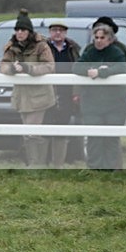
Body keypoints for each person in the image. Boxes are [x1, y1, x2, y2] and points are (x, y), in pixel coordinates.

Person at [0, 9, 56, 167]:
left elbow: (49, 66)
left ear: (29, 31)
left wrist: (28, 69)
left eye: (23, 30)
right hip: (21, 95)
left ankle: (36, 164)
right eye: (17, 30)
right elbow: (3, 65)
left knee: (32, 131)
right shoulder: (11, 47)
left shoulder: (41, 46)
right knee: (27, 132)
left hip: (39, 95)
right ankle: (34, 163)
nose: (19, 33)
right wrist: (11, 69)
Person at [72, 23, 126, 170]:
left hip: (115, 103)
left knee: (111, 137)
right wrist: (89, 71)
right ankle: (95, 168)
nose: (98, 40)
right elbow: (77, 67)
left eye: (102, 37)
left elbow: (122, 67)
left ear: (109, 39)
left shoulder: (117, 52)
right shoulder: (89, 51)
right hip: (92, 103)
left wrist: (103, 72)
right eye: (96, 37)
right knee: (94, 137)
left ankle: (110, 169)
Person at [45, 22, 82, 167]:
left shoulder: (73, 49)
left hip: (67, 92)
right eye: (54, 30)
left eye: (60, 30)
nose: (57, 33)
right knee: (47, 125)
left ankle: (61, 161)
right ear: (50, 32)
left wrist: (76, 92)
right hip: (48, 91)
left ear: (65, 33)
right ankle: (45, 160)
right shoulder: (44, 48)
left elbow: (78, 69)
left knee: (64, 125)